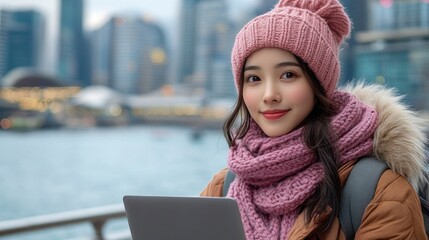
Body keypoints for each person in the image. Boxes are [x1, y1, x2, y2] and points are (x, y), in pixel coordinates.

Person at [200, 0, 428, 239]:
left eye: (288, 75)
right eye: (254, 78)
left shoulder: (379, 192)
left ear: (320, 83)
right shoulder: (223, 187)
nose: (269, 95)